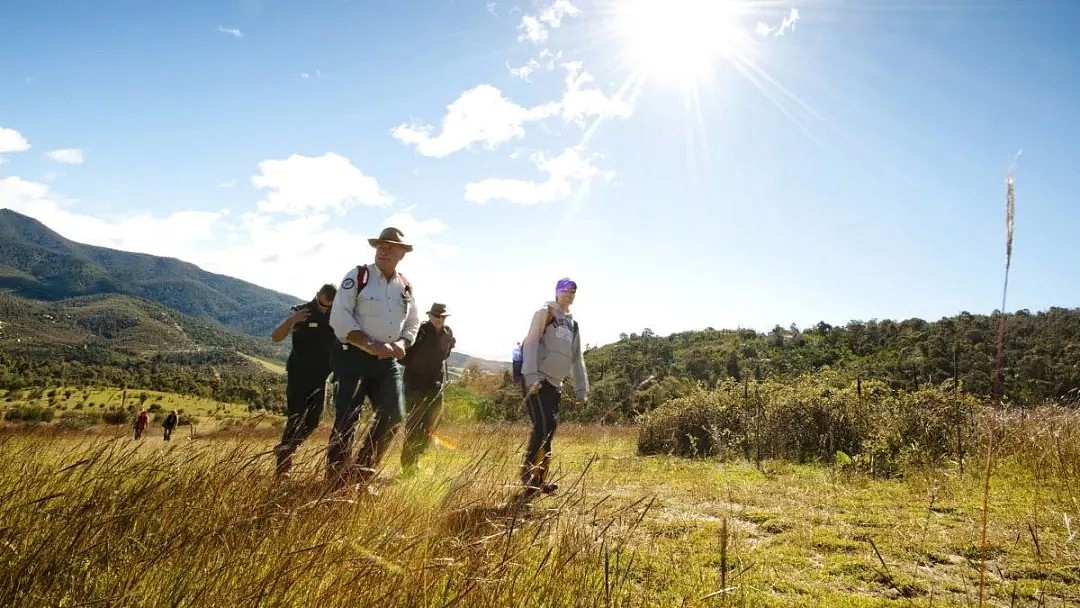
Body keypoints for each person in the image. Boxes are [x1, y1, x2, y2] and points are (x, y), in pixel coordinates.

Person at [327, 227, 419, 489]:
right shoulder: (358, 276)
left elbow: (413, 322)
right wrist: (370, 344)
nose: (384, 250)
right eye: (380, 245)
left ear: (402, 253)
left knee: (394, 415)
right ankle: (335, 483)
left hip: (387, 362)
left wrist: (403, 343)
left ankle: (360, 473)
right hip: (353, 359)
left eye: (391, 246)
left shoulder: (405, 285)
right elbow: (339, 317)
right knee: (347, 420)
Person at [520, 277, 589, 495]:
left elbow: (577, 358)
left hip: (556, 384)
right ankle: (527, 474)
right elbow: (530, 343)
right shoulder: (545, 313)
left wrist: (581, 390)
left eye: (573, 291)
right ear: (557, 291)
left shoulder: (573, 324)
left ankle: (539, 479)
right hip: (538, 380)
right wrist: (531, 377)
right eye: (565, 289)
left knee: (549, 429)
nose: (569, 293)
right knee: (542, 426)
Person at [270, 284, 338, 476]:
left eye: (329, 306)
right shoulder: (302, 311)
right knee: (295, 418)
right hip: (298, 375)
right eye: (322, 305)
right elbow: (275, 337)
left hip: (321, 377)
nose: (324, 309)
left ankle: (287, 449)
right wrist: (292, 320)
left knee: (313, 422)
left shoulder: (337, 314)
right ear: (317, 296)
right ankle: (283, 466)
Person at [399, 302, 456, 476]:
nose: (439, 319)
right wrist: (417, 367)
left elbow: (443, 357)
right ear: (430, 315)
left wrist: (449, 346)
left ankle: (416, 458)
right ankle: (408, 466)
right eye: (436, 316)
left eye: (442, 317)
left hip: (435, 385)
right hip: (415, 384)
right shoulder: (420, 331)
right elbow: (404, 355)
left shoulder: (448, 332)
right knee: (414, 424)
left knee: (430, 425)